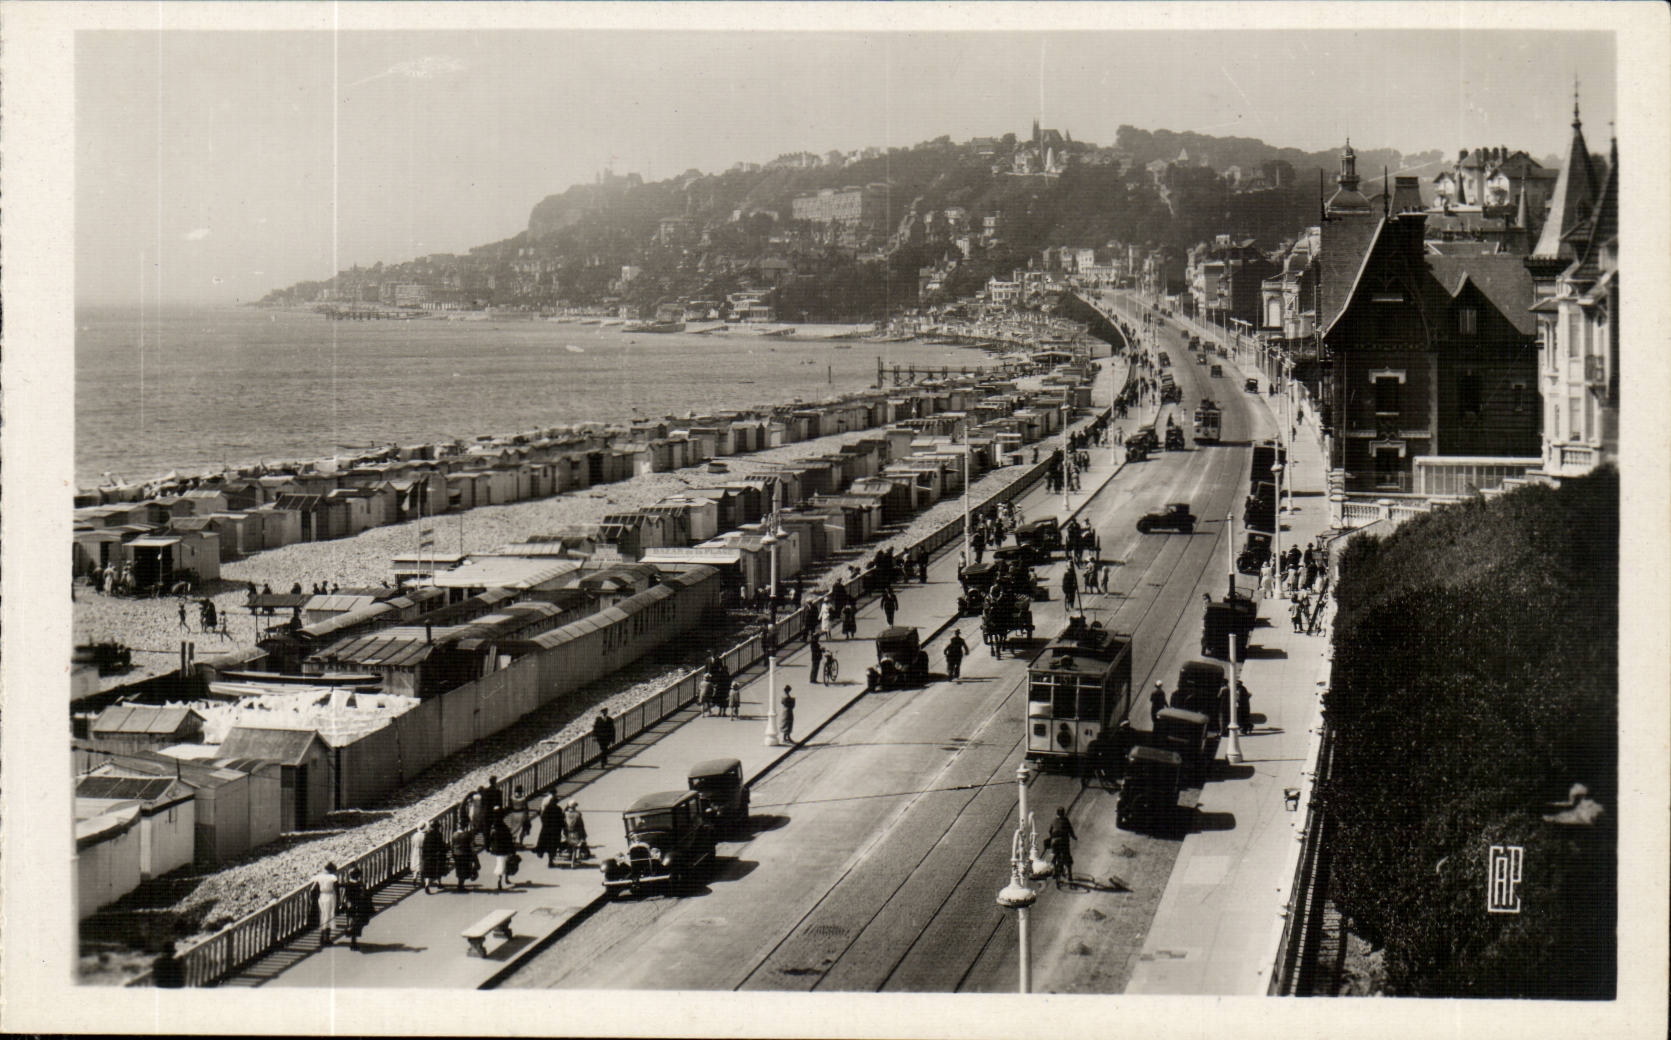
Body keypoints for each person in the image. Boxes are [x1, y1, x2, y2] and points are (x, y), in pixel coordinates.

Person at [340, 867, 373, 950]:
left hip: (350, 905)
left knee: (351, 921)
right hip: (359, 905)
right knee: (357, 923)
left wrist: (343, 903)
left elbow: (344, 896)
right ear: (358, 876)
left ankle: (352, 940)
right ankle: (353, 942)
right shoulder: (360, 884)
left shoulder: (347, 884)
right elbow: (365, 895)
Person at [309, 862, 340, 947]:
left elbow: (313, 888)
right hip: (330, 895)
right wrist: (338, 901)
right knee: (329, 915)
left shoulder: (319, 877)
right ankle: (326, 938)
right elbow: (336, 889)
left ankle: (322, 936)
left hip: (322, 896)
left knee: (323, 915)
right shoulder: (332, 877)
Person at [534, 793, 566, 866]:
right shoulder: (559, 809)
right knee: (553, 846)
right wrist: (563, 827)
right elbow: (561, 820)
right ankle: (550, 861)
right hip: (555, 831)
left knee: (543, 842)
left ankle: (540, 852)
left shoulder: (547, 808)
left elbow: (543, 818)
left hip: (546, 829)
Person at [486, 816, 518, 890]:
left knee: (500, 863)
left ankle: (500, 879)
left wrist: (490, 847)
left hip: (497, 851)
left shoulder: (494, 830)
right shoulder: (505, 829)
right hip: (505, 849)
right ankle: (506, 879)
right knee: (506, 863)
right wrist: (512, 850)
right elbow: (510, 840)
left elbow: (490, 839)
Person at [1047, 808, 1077, 886]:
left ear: (1057, 813)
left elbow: (1050, 831)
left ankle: (1054, 869)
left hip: (1054, 841)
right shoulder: (1065, 820)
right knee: (1067, 856)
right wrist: (1074, 837)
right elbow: (1070, 830)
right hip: (1063, 841)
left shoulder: (1053, 820)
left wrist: (1052, 837)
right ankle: (1070, 875)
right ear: (1063, 813)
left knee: (1054, 854)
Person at [419, 819, 448, 893]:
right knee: (438, 870)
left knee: (428, 872)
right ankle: (439, 883)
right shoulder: (439, 835)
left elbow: (424, 846)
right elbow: (441, 845)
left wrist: (424, 855)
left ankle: (427, 885)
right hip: (436, 855)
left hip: (428, 856)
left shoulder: (427, 835)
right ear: (438, 827)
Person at [449, 820, 480, 890]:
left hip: (456, 854)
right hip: (465, 854)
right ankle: (461, 884)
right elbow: (471, 846)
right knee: (464, 869)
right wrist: (474, 855)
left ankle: (460, 883)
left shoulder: (454, 835)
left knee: (459, 868)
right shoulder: (467, 835)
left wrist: (452, 853)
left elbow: (452, 845)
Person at [563, 801, 588, 867]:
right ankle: (573, 862)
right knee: (575, 848)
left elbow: (564, 824)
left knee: (570, 846)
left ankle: (572, 859)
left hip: (568, 832)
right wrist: (583, 834)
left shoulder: (565, 814)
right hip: (576, 832)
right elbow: (581, 825)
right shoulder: (578, 814)